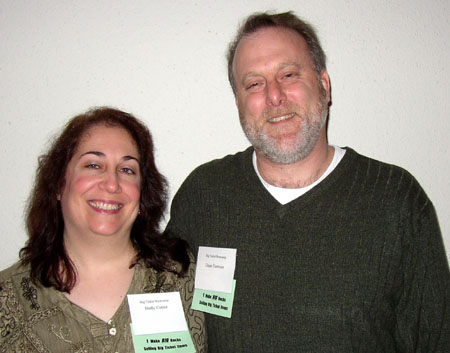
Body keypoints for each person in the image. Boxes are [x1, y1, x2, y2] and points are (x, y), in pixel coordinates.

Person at [165, 11, 450, 352]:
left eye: (288, 74)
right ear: (239, 102)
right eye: (254, 83)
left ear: (324, 86)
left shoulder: (396, 199)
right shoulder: (204, 195)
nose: (274, 96)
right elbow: (155, 304)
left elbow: (435, 338)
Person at [0, 107, 206, 352]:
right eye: (93, 165)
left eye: (127, 170)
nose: (111, 184)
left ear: (142, 195)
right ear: (58, 185)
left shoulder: (182, 279)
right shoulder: (8, 298)